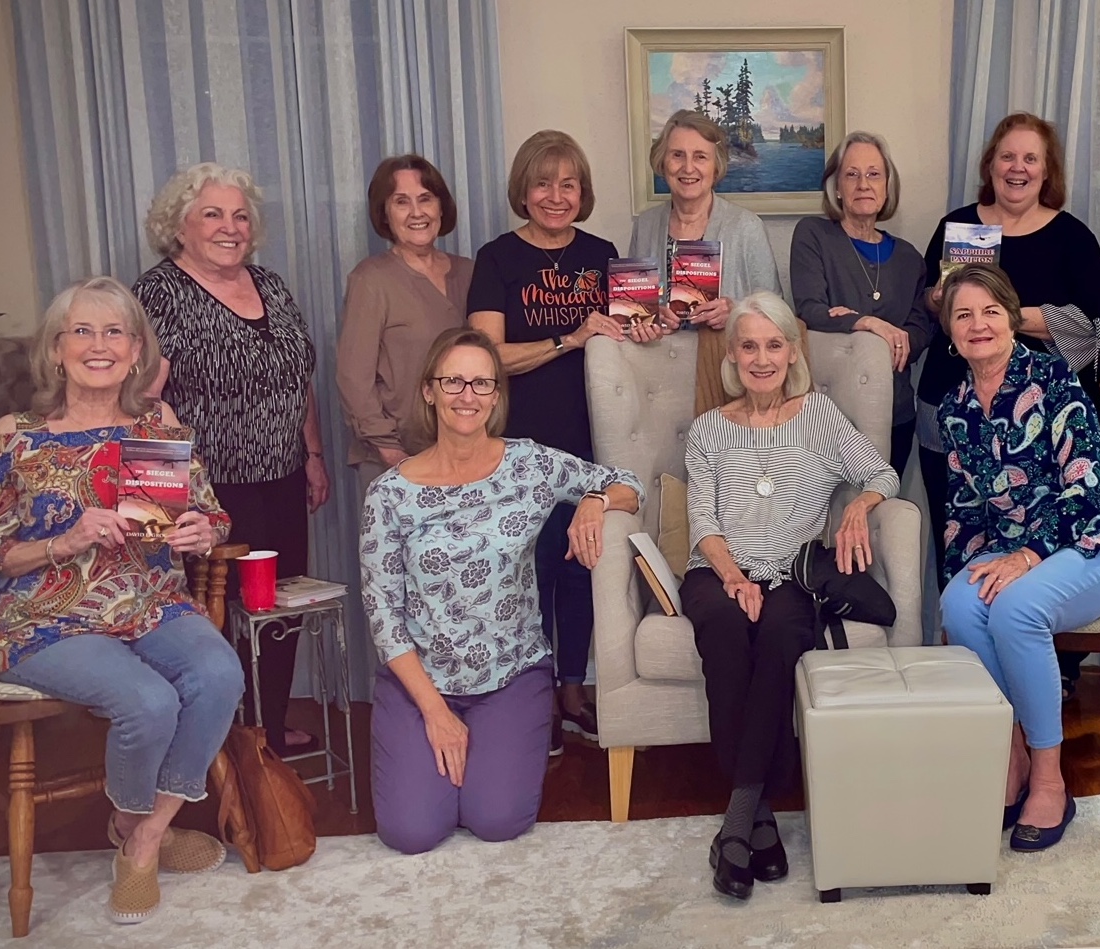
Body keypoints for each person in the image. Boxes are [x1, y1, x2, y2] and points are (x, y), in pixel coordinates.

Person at [0, 277, 243, 924]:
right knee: (147, 701)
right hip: (43, 616)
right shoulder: (16, 433)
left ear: (136, 348)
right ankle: (138, 823)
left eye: (114, 331)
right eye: (82, 331)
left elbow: (209, 513)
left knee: (219, 672)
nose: (99, 344)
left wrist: (204, 530)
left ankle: (141, 835)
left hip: (148, 600)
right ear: (56, 349)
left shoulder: (156, 423)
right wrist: (65, 540)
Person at [359, 327, 642, 855]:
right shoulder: (390, 494)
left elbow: (630, 482)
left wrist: (593, 500)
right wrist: (436, 714)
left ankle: (480, 763)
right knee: (413, 832)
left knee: (497, 820)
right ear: (429, 391)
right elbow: (383, 614)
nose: (468, 396)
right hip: (421, 681)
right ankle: (437, 755)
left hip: (510, 673)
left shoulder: (529, 465)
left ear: (496, 396)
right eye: (454, 382)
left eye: (482, 384)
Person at [680, 292, 898, 899]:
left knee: (780, 635)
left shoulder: (820, 415)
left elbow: (881, 473)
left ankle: (739, 818)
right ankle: (761, 821)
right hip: (717, 570)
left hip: (792, 573)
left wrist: (857, 507)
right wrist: (733, 577)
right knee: (724, 631)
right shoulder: (707, 430)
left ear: (793, 352)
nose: (761, 357)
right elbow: (704, 523)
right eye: (748, 345)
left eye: (774, 344)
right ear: (732, 356)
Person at [934, 264, 1100, 855]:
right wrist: (970, 571)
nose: (978, 325)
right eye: (963, 315)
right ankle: (1011, 758)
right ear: (950, 334)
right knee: (959, 606)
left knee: (1016, 613)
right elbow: (964, 510)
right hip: (1017, 547)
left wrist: (1026, 557)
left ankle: (1050, 779)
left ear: (1011, 318)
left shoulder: (1051, 375)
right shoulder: (954, 409)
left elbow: (1082, 486)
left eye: (989, 311)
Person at [133, 162, 329, 758]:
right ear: (179, 227)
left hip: (283, 473)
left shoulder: (269, 284)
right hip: (211, 493)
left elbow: (297, 377)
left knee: (281, 604)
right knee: (221, 615)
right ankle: (225, 736)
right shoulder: (158, 294)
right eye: (212, 214)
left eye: (240, 215)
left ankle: (266, 727)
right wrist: (157, 510)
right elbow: (142, 403)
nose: (230, 226)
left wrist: (313, 452)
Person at [468, 131, 644, 750]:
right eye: (543, 183)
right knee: (530, 570)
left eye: (568, 183)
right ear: (524, 189)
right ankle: (535, 698)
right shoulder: (497, 259)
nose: (556, 195)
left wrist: (655, 321)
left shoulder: (603, 253)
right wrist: (569, 339)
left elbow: (629, 334)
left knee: (581, 568)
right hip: (518, 443)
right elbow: (486, 356)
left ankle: (574, 690)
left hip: (592, 436)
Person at [914, 111, 1100, 552]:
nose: (1017, 168)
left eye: (1030, 158)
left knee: (1033, 539)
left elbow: (1096, 327)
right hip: (951, 403)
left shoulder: (1072, 238)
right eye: (1007, 156)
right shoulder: (957, 226)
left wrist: (1001, 316)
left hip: (1039, 422)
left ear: (1046, 170)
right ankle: (960, 618)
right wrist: (940, 298)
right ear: (990, 165)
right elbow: (926, 301)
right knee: (957, 532)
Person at [789, 130, 932, 474]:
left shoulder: (911, 258)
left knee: (878, 515)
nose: (863, 184)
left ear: (886, 187)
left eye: (873, 174)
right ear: (837, 187)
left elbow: (921, 329)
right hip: (826, 413)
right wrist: (869, 323)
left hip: (894, 411)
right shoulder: (813, 236)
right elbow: (810, 310)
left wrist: (865, 325)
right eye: (851, 174)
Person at [628, 109, 784, 415]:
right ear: (663, 163)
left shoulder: (746, 226)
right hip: (659, 379)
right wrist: (647, 317)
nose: (688, 167)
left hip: (729, 379)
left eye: (700, 156)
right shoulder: (645, 226)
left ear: (716, 166)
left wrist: (736, 311)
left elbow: (778, 313)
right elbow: (634, 312)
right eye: (677, 155)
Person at [337, 154, 473, 483]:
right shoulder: (370, 280)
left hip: (465, 454)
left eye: (425, 198)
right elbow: (354, 379)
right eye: (401, 201)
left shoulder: (471, 272)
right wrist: (393, 454)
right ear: (385, 213)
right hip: (395, 460)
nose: (417, 213)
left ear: (442, 207)